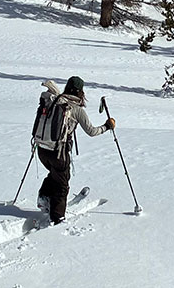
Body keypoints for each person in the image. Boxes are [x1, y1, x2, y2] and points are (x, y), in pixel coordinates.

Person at [34, 76, 114, 224]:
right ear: (80, 92)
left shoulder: (55, 101)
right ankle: (57, 217)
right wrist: (107, 126)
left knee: (57, 174)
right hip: (58, 152)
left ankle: (44, 197)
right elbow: (92, 131)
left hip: (41, 150)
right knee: (62, 185)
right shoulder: (76, 109)